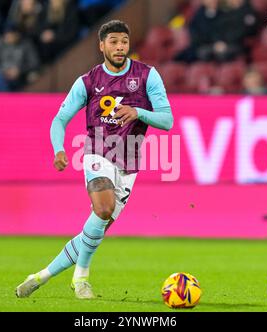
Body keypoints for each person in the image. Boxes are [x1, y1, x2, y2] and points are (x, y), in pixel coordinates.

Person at [16, 20, 174, 299]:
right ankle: (82, 279)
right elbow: (60, 119)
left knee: (96, 228)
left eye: (124, 41)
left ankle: (45, 275)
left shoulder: (148, 76)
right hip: (98, 152)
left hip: (129, 162)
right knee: (103, 209)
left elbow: (167, 120)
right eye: (113, 41)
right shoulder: (88, 81)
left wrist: (139, 112)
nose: (120, 47)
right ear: (101, 45)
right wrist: (58, 149)